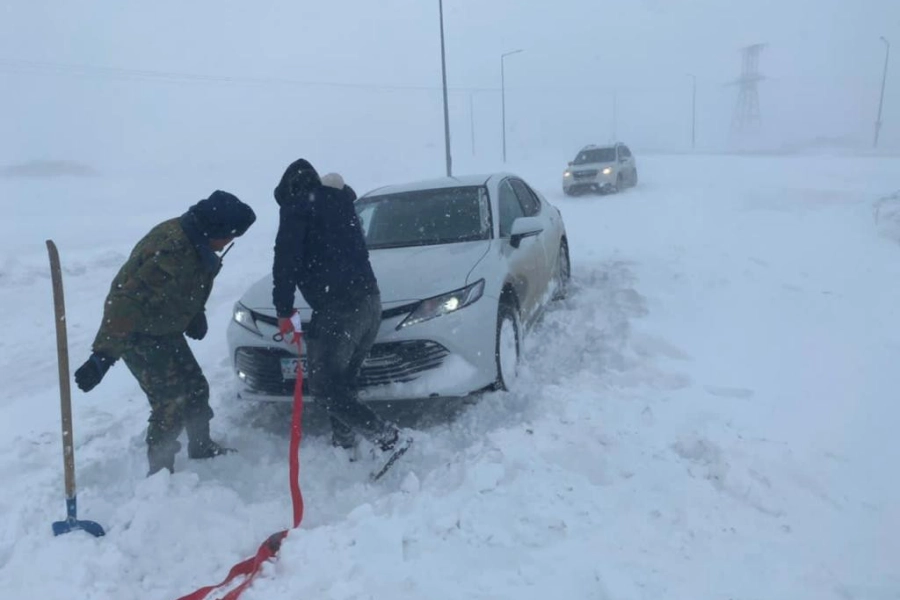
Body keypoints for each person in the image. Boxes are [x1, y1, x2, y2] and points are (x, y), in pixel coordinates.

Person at [74, 190, 257, 476]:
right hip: (136, 332)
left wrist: (196, 314)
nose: (229, 243)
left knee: (196, 387)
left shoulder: (200, 242)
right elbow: (125, 302)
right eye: (230, 235)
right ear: (216, 229)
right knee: (169, 403)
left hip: (164, 328)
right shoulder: (171, 251)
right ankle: (160, 474)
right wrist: (103, 357)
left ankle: (200, 446)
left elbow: (189, 285)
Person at [271, 158, 408, 458]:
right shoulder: (343, 206)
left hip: (338, 310)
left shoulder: (297, 208)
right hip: (370, 302)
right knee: (343, 382)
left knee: (325, 388)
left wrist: (283, 311)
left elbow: (285, 264)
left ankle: (390, 439)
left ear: (289, 190)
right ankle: (345, 446)